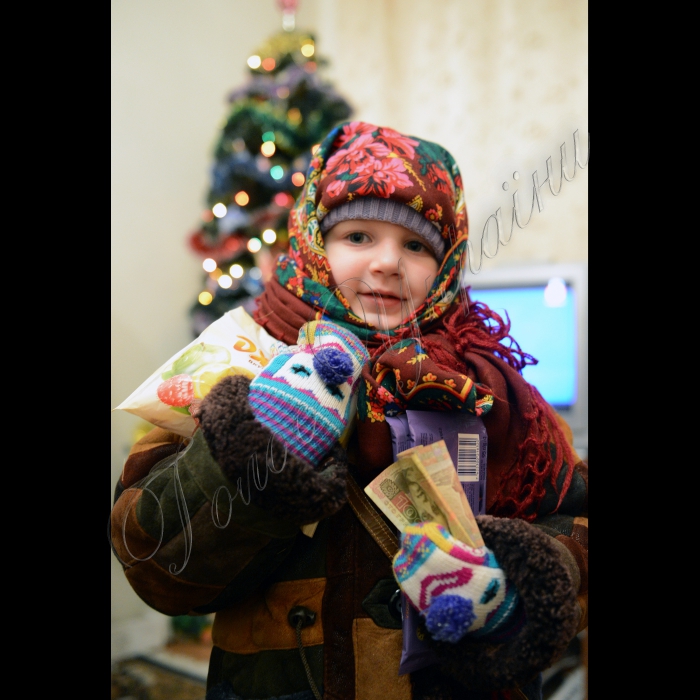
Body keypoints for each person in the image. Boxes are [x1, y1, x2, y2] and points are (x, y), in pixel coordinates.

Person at [110, 121, 588, 700]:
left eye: (416, 245)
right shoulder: (237, 358)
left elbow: (576, 520)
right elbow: (154, 565)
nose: (388, 263)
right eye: (358, 236)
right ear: (314, 241)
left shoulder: (489, 385)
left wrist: (516, 589)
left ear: (447, 264)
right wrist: (254, 450)